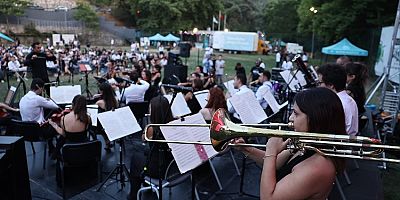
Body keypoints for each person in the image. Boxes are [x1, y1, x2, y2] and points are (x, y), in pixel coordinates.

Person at [235, 87, 346, 199]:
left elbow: (268, 198)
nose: (290, 118)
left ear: (316, 119)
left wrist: (271, 151)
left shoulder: (319, 166)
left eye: (296, 114)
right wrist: (246, 149)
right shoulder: (307, 142)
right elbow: (276, 163)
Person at [128, 96, 174, 200]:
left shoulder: (152, 129)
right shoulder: (174, 123)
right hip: (172, 166)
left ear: (154, 111)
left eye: (150, 107)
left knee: (135, 159)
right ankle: (144, 184)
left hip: (160, 169)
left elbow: (143, 138)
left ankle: (133, 194)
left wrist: (147, 126)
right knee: (144, 152)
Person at [19, 78, 59, 153]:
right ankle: (56, 151)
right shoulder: (38, 99)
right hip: (38, 133)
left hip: (26, 133)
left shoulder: (22, 99)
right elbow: (55, 106)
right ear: (39, 87)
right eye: (42, 88)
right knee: (58, 125)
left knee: (47, 118)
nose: (42, 90)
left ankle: (51, 148)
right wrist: (48, 100)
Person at [317, 64, 358, 136]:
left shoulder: (336, 103)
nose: (318, 86)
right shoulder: (348, 99)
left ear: (331, 85)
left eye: (320, 83)